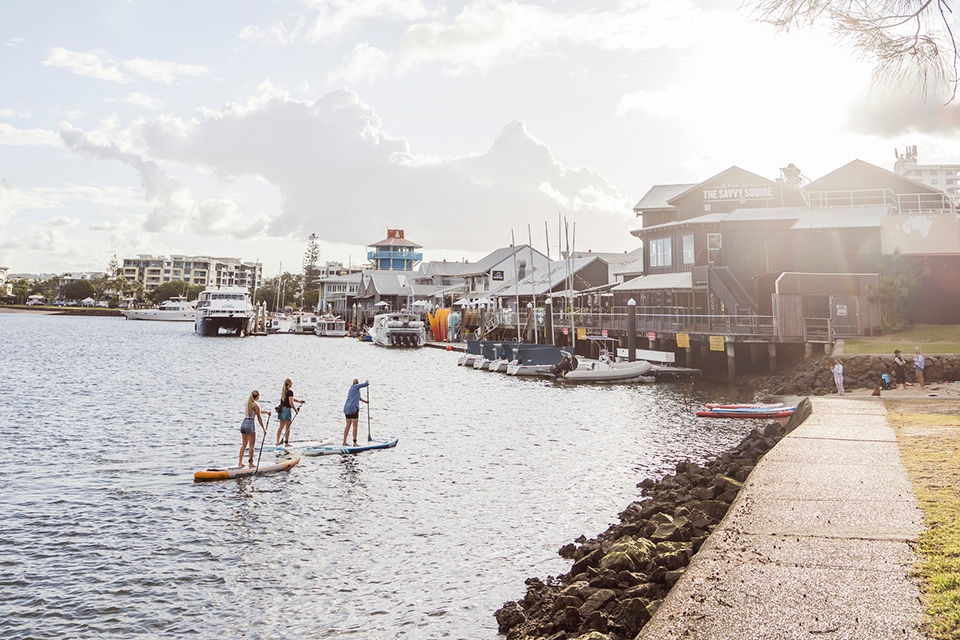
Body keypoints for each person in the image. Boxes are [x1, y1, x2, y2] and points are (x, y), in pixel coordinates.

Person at [239, 390, 268, 468]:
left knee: (244, 445)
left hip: (244, 423)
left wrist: (266, 412)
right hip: (250, 424)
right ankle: (251, 463)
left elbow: (257, 411)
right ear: (257, 397)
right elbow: (259, 418)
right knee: (252, 446)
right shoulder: (256, 404)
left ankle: (240, 462)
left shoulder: (248, 403)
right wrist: (264, 429)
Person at [275, 378, 305, 445]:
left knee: (281, 427)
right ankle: (286, 443)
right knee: (288, 427)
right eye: (291, 382)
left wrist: (299, 401)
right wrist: (296, 410)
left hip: (281, 410)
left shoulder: (284, 391)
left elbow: (291, 399)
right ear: (289, 384)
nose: (292, 383)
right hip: (286, 411)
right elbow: (291, 402)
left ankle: (277, 442)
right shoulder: (290, 392)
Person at [342, 379, 369, 446]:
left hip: (347, 409)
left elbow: (358, 398)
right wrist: (367, 382)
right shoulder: (355, 386)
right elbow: (364, 385)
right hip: (353, 409)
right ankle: (354, 442)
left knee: (348, 425)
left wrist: (366, 401)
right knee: (355, 425)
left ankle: (344, 442)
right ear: (356, 383)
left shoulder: (351, 390)